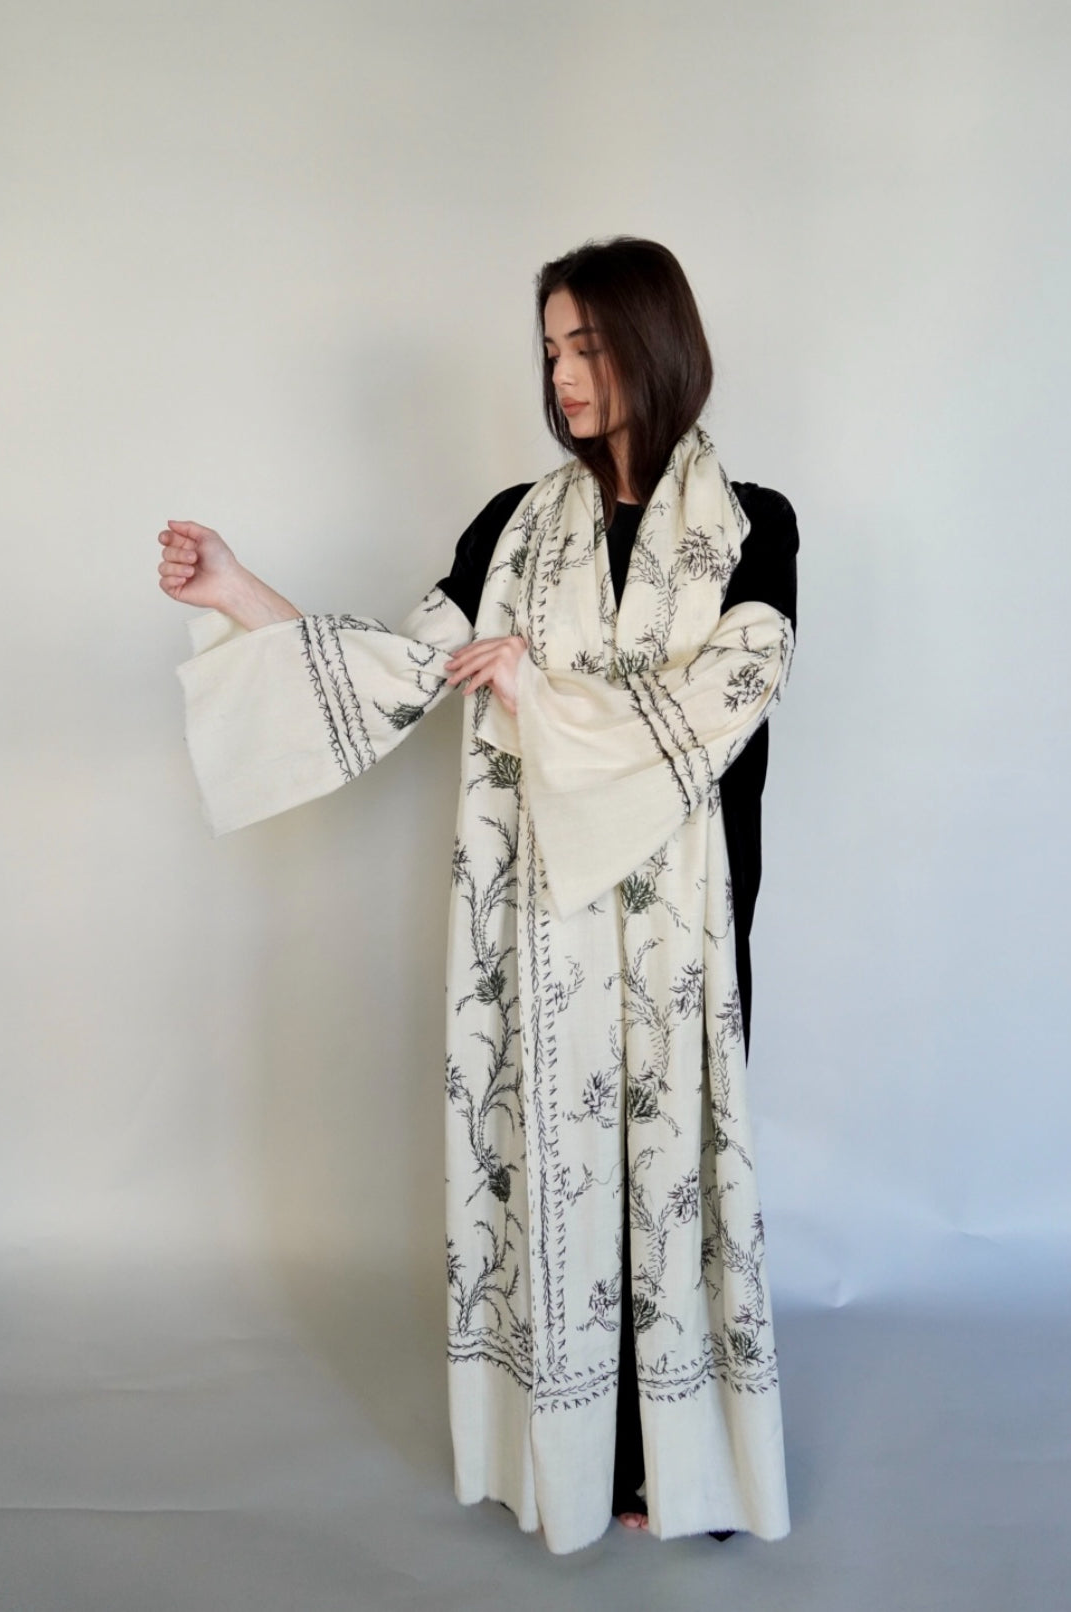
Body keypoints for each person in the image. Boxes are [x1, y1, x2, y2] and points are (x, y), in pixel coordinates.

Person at [158, 236, 799, 1554]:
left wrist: (538, 695)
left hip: (686, 920)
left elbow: (728, 694)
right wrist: (236, 589)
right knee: (560, 1170)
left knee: (666, 1171)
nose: (562, 374)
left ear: (654, 346)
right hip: (540, 918)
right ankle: (570, 1458)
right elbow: (402, 672)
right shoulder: (512, 527)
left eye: (588, 345)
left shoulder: (754, 524)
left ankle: (671, 1470)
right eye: (551, 348)